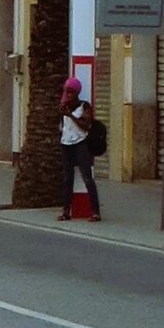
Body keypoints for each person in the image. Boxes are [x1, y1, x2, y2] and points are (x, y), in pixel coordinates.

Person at [57, 76, 100, 220]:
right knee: (67, 178)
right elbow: (61, 126)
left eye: (71, 91)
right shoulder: (64, 106)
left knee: (87, 177)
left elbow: (86, 125)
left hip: (80, 144)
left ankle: (95, 212)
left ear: (77, 92)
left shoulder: (84, 106)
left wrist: (70, 115)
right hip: (66, 144)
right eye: (66, 91)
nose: (68, 94)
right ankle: (66, 211)